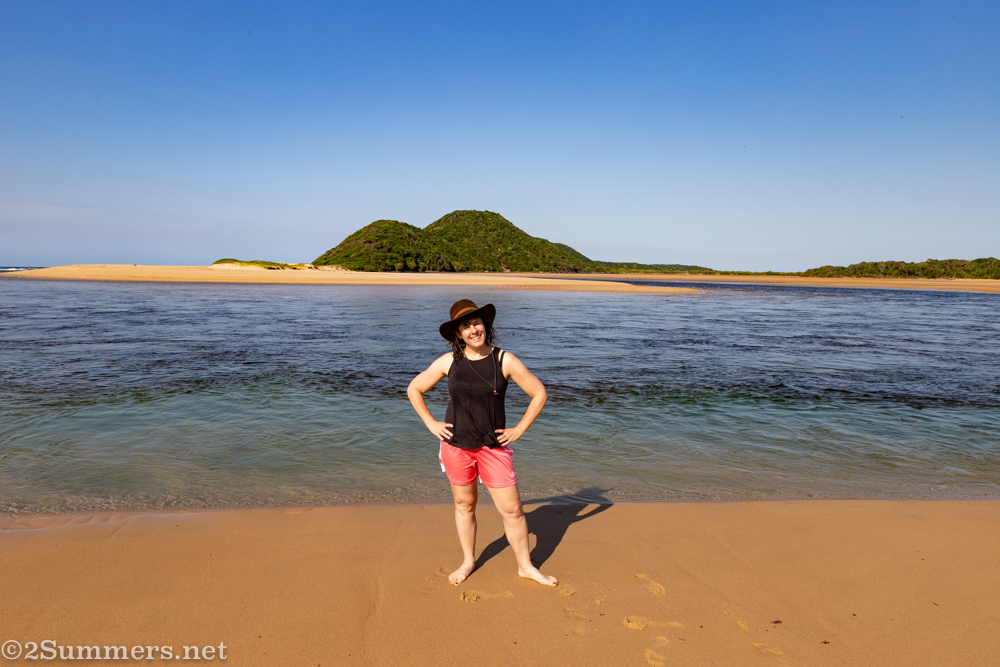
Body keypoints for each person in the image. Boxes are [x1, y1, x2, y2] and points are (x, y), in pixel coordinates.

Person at [407, 299, 558, 587]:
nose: (473, 330)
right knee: (465, 505)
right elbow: (414, 388)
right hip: (456, 446)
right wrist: (430, 423)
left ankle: (525, 566)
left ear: (485, 325)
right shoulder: (449, 361)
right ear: (458, 334)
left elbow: (539, 393)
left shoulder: (505, 360)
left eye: (476, 323)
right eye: (465, 326)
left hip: (493, 447)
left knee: (512, 510)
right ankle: (468, 561)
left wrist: (519, 429)